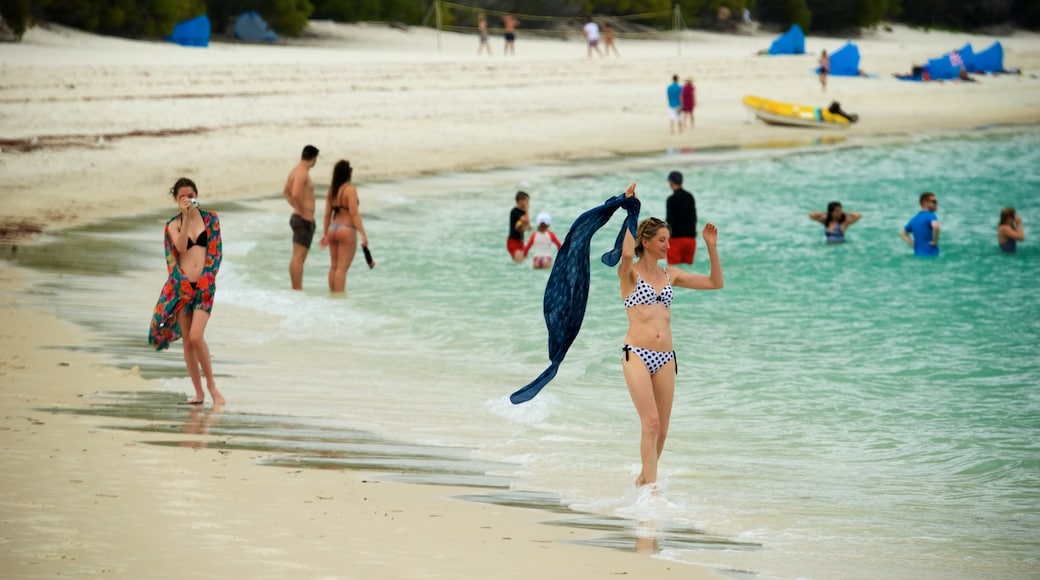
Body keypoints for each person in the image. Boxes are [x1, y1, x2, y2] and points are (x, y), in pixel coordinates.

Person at [617, 182, 723, 488]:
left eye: (669, 240)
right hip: (636, 353)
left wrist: (711, 246)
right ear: (647, 241)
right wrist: (629, 209)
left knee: (661, 430)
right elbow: (625, 253)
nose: (668, 245)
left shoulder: (670, 275)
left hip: (665, 358)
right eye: (663, 240)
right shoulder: (629, 273)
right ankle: (651, 491)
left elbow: (715, 283)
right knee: (649, 423)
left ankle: (644, 480)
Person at [149, 178, 225, 407]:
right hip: (181, 288)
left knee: (195, 336)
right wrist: (186, 217)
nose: (188, 199)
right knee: (188, 343)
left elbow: (216, 252)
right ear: (176, 199)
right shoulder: (173, 225)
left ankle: (212, 388)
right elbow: (180, 249)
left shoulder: (211, 219)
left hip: (204, 286)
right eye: (183, 196)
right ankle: (198, 393)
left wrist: (207, 279)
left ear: (197, 194)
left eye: (191, 195)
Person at [318, 160, 370, 293]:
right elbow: (354, 213)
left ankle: (333, 297)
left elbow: (327, 215)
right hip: (346, 230)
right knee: (342, 269)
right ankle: (339, 299)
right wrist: (363, 233)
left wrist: (325, 234)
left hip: (332, 228)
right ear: (348, 174)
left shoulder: (331, 191)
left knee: (334, 267)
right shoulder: (350, 189)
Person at [284, 144, 319, 290]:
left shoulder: (295, 171)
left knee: (298, 257)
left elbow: (286, 192)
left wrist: (297, 207)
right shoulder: (302, 172)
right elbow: (295, 193)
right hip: (302, 219)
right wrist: (303, 211)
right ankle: (297, 289)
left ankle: (296, 289)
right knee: (298, 257)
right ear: (314, 158)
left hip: (299, 217)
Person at [665, 171, 697, 265]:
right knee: (687, 274)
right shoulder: (690, 197)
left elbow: (670, 220)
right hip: (690, 239)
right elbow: (694, 217)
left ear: (671, 182)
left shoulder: (671, 200)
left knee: (673, 272)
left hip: (676, 239)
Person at [901, 192, 940, 257]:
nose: (936, 204)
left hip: (918, 255)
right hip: (931, 255)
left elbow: (903, 234)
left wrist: (914, 244)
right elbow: (936, 227)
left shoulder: (914, 219)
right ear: (925, 202)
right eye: (934, 201)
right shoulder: (931, 215)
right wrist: (935, 242)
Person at [508, 191, 531, 262]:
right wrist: (527, 209)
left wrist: (525, 227)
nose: (528, 204)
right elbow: (526, 221)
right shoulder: (514, 211)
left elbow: (527, 225)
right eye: (527, 201)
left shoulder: (523, 212)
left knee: (522, 262)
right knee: (519, 261)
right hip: (513, 241)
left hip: (521, 241)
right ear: (520, 201)